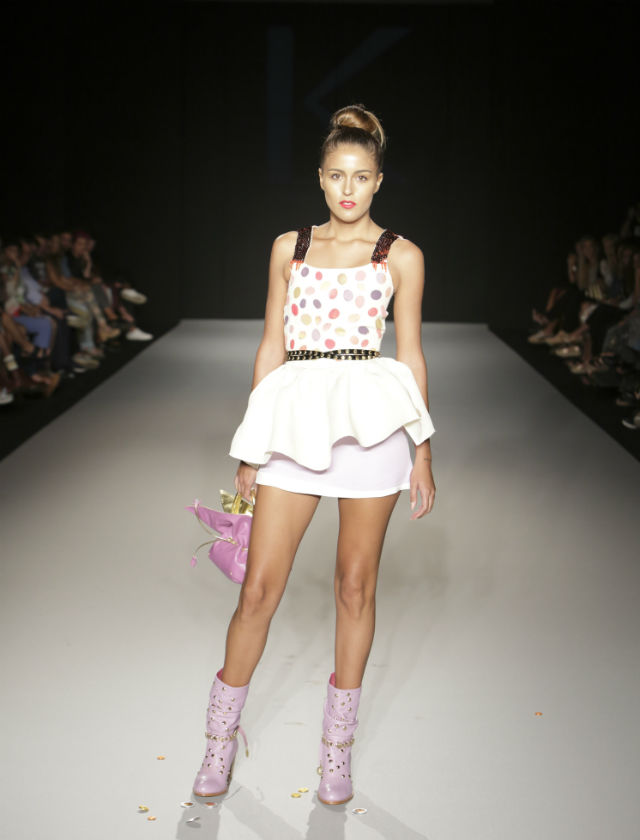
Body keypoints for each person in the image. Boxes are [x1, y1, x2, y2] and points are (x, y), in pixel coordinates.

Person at [193, 104, 436, 806]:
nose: (348, 189)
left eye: (361, 176)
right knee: (258, 590)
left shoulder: (402, 255)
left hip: (372, 427)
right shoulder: (289, 248)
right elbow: (271, 345)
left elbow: (411, 355)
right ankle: (217, 741)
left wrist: (422, 449)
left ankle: (336, 752)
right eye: (336, 175)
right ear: (320, 178)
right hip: (295, 423)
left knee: (355, 587)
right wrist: (251, 444)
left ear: (379, 180)